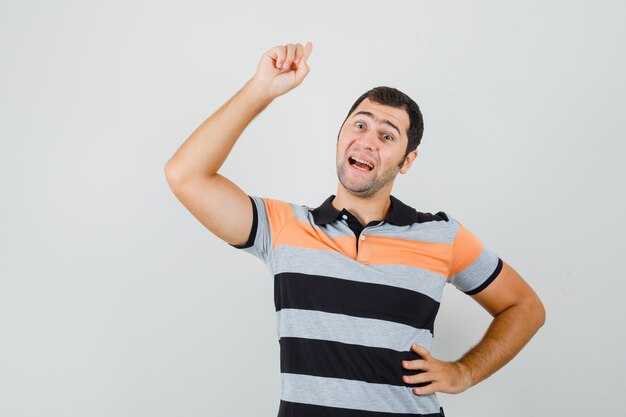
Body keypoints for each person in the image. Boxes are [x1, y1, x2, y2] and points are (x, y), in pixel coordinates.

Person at [164, 41, 546, 417]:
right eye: (359, 125)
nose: (367, 140)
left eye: (387, 135)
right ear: (340, 138)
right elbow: (185, 175)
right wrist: (261, 90)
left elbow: (525, 307)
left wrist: (464, 372)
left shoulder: (441, 236)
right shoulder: (282, 227)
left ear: (407, 160)